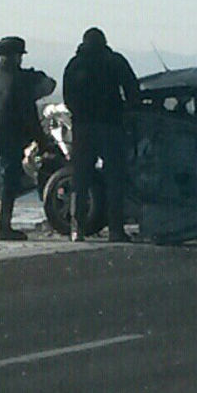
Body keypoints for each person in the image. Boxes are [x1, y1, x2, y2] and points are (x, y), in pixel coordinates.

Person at [63, 27, 140, 242]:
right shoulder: (114, 61)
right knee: (115, 178)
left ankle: (77, 229)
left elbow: (68, 97)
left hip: (83, 128)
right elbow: (133, 90)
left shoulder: (74, 64)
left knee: (80, 178)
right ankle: (115, 229)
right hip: (111, 126)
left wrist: (80, 115)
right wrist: (126, 112)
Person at [0, 36, 56, 241]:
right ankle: (2, 226)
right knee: (7, 181)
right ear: (16, 56)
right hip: (7, 137)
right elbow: (29, 115)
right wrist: (42, 141)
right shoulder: (18, 80)